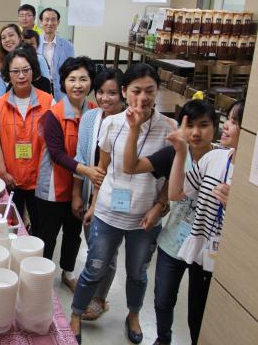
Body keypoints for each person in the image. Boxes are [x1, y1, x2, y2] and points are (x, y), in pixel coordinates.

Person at [70, 63, 175, 345]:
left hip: (144, 218)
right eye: (136, 90)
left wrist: (159, 206)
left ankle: (133, 315)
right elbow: (101, 169)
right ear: (126, 91)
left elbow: (168, 177)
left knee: (138, 273)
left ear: (157, 92)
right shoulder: (110, 123)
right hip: (107, 213)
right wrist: (92, 205)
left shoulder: (169, 128)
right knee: (95, 266)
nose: (143, 98)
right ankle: (76, 314)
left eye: (150, 91)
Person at [122, 96, 218, 345]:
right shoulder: (175, 152)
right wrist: (134, 129)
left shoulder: (224, 161)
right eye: (190, 125)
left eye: (204, 125)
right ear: (180, 126)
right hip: (173, 243)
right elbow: (131, 166)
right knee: (163, 299)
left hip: (206, 250)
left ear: (215, 127)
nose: (196, 132)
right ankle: (163, 339)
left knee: (199, 309)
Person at [167, 100, 244, 345]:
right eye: (229, 119)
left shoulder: (250, 178)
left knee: (225, 326)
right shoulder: (216, 158)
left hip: (233, 265)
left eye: (236, 122)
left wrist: (238, 206)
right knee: (196, 321)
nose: (228, 126)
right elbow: (176, 192)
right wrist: (180, 153)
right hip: (203, 257)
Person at [35, 56, 103, 294]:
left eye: (83, 79)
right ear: (63, 83)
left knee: (73, 233)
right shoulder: (53, 114)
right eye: (71, 79)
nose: (77, 85)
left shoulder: (96, 112)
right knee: (47, 234)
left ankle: (68, 272)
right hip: (53, 186)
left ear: (91, 83)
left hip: (82, 188)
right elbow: (56, 154)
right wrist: (86, 170)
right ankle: (42, 275)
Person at [72, 67, 125, 321]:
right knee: (93, 243)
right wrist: (77, 194)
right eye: (101, 92)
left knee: (108, 248)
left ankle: (100, 298)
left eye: (112, 93)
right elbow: (81, 157)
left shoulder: (129, 121)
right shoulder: (90, 117)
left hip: (114, 193)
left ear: (123, 93)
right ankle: (92, 291)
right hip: (88, 185)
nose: (106, 98)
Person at [0, 47, 55, 235]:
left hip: (39, 179)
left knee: (40, 228)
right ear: (8, 75)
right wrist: (3, 172)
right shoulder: (0, 105)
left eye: (26, 70)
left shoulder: (48, 102)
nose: (21, 76)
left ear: (33, 71)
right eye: (15, 71)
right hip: (11, 178)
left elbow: (53, 144)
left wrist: (45, 174)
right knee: (11, 228)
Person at [37, 8, 75, 101]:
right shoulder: (35, 43)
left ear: (58, 22)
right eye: (46, 19)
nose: (50, 23)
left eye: (53, 20)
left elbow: (71, 70)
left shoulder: (68, 46)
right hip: (39, 88)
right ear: (41, 22)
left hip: (60, 89)